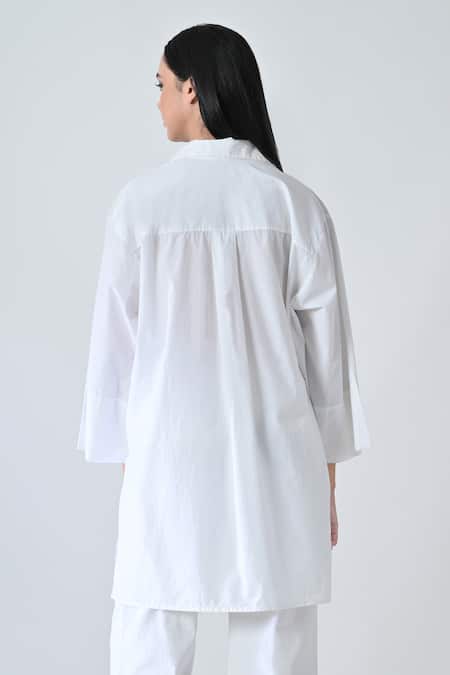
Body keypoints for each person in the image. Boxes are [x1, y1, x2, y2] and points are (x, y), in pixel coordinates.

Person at [76, 22, 371, 675]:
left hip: (167, 458)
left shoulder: (139, 207)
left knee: (150, 635)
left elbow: (115, 359)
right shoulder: (294, 207)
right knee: (276, 637)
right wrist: (325, 483)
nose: (157, 101)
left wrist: (132, 471)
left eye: (162, 84)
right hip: (276, 459)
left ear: (193, 88)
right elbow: (328, 368)